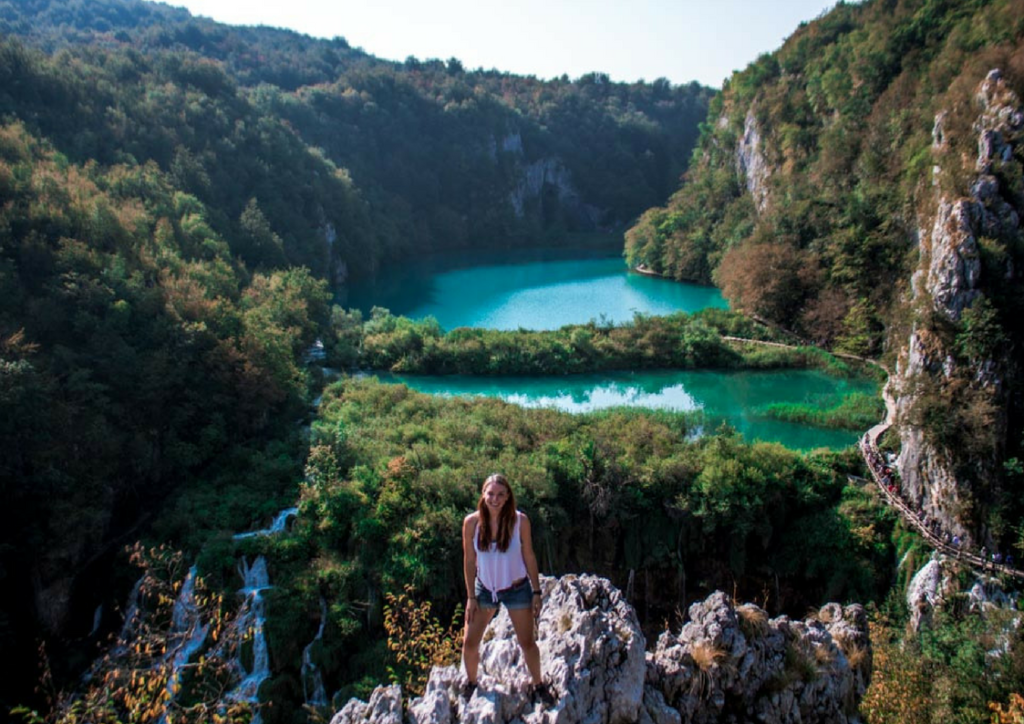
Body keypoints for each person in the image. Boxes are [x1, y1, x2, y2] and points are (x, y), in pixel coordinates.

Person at [461, 473, 554, 705]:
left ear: (508, 497)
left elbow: (529, 555)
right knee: (470, 643)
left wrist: (536, 592)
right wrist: (471, 597)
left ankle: (538, 684)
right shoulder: (471, 523)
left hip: (516, 588)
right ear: (483, 495)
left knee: (527, 643)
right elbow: (469, 561)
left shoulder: (520, 521)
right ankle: (471, 683)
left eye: (501, 494)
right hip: (484, 590)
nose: (495, 499)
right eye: (490, 494)